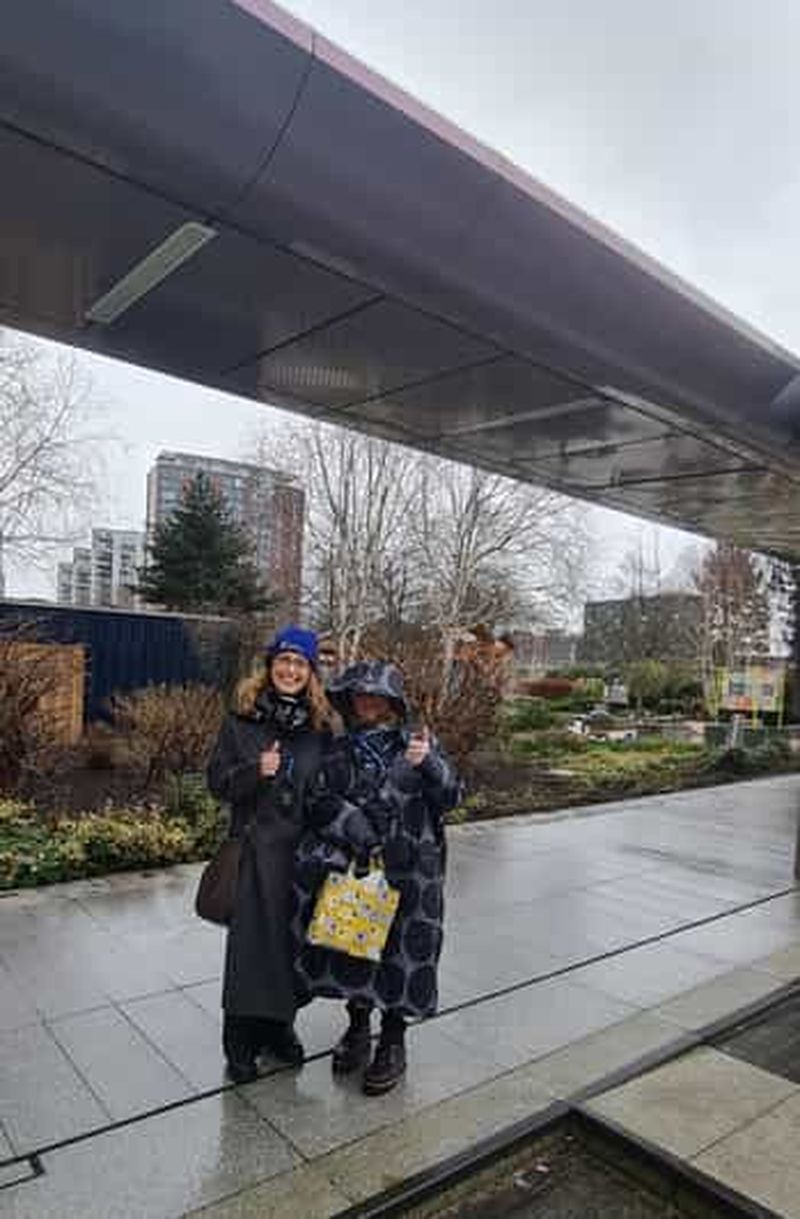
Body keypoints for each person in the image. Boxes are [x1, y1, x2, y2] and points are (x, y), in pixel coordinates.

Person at [293, 660, 462, 1095]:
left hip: (412, 869)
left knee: (402, 953)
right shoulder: (337, 748)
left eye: (377, 695)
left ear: (393, 701)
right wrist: (353, 824)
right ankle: (357, 1028)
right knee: (357, 946)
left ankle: (393, 1040)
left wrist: (429, 764)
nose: (367, 701)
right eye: (360, 694)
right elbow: (318, 800)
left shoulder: (417, 741)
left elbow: (452, 796)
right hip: (360, 863)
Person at [207, 625, 333, 1084]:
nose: (291, 670)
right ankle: (239, 1040)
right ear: (270, 666)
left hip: (300, 858)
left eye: (300, 664)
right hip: (254, 852)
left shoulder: (319, 729)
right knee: (249, 950)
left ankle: (279, 1029)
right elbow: (217, 783)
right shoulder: (241, 721)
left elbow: (328, 791)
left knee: (288, 948)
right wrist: (254, 770)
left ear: (311, 673)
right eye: (284, 661)